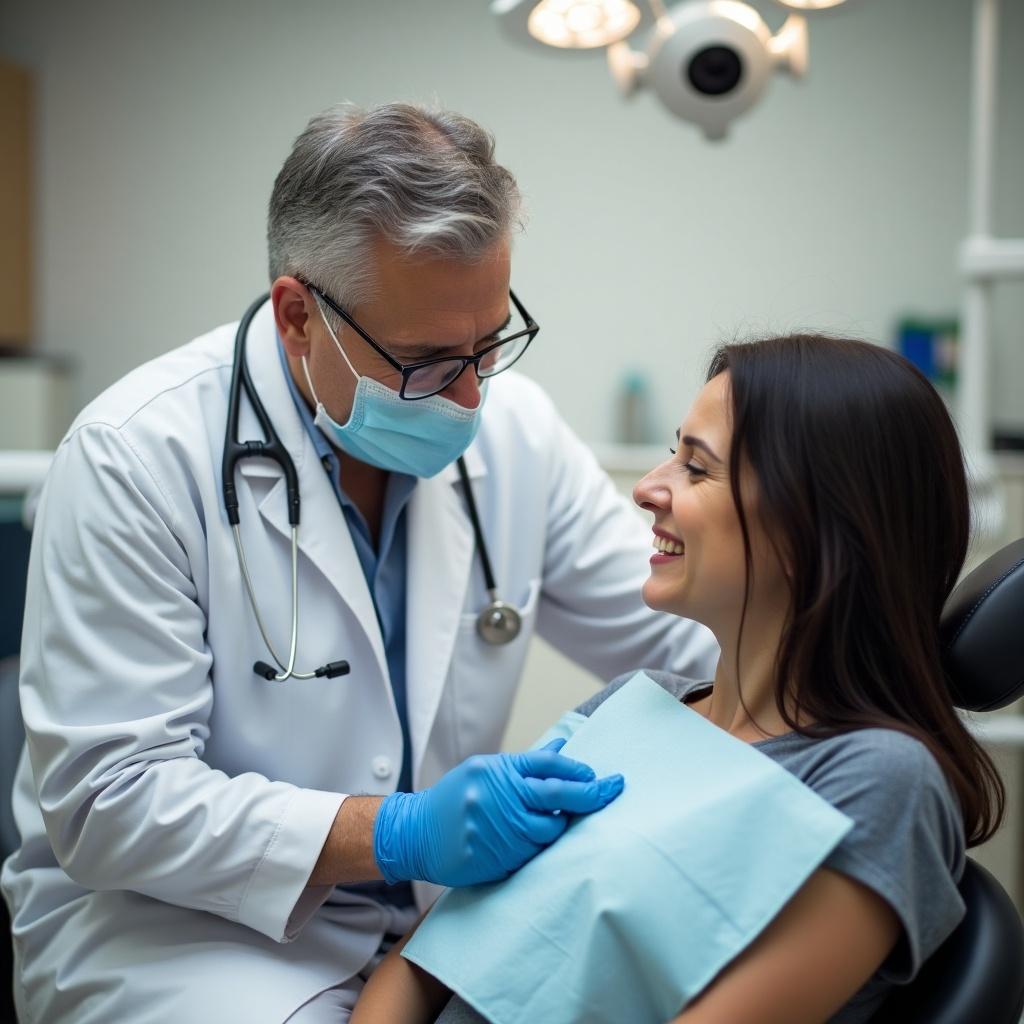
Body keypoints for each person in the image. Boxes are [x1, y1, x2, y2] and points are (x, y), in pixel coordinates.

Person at [0, 102, 718, 1024]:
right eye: (424, 361)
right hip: (183, 940)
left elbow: (686, 636)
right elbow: (109, 807)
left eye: (488, 343)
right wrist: (397, 831)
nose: (468, 398)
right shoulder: (133, 455)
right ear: (300, 316)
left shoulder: (520, 434)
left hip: (433, 925)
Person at [351, 333, 1006, 1024]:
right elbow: (422, 967)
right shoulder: (635, 703)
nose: (647, 488)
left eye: (696, 468)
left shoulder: (878, 780)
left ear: (810, 524)